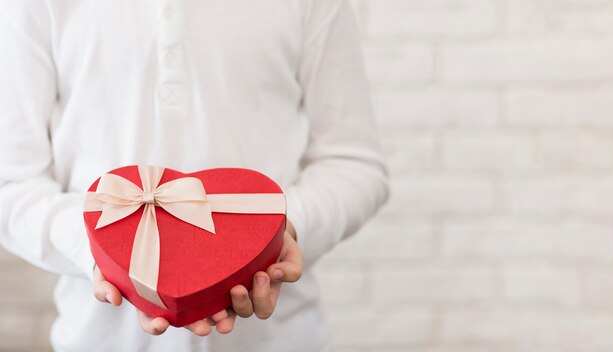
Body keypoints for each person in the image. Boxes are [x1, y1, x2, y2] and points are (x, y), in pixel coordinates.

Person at [0, 0, 389, 351]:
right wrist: (104, 255)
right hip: (97, 339)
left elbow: (354, 162)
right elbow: (12, 183)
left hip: (279, 340)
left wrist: (278, 234)